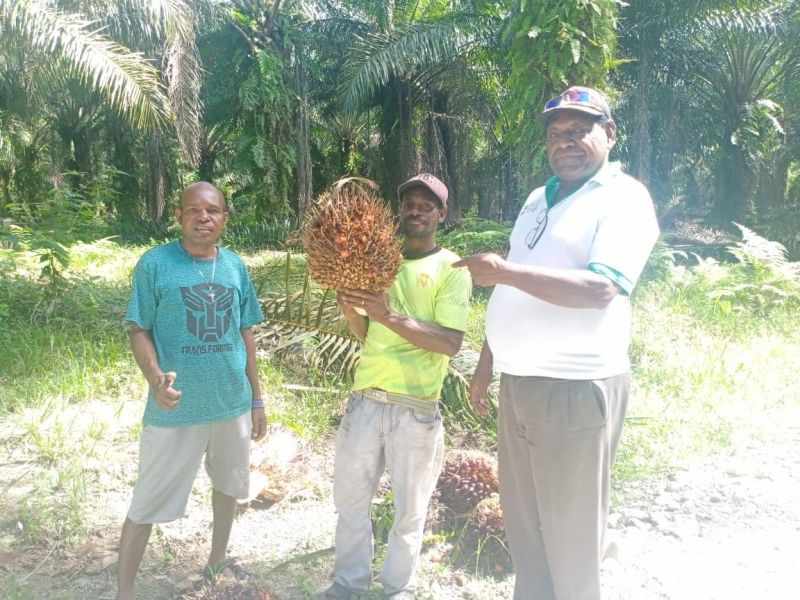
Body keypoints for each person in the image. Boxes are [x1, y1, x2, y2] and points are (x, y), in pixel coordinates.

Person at [453, 86, 659, 600]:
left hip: (573, 387)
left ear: (609, 134)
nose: (564, 142)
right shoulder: (536, 199)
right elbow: (511, 290)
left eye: (578, 131)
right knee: (524, 525)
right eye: (555, 134)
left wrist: (504, 272)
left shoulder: (623, 198)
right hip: (518, 384)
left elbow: (601, 289)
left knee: (570, 534)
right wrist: (487, 365)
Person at [318, 173, 472, 599]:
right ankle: (348, 585)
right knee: (350, 503)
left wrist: (390, 317)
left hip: (416, 408)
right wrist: (350, 309)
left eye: (427, 204)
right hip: (366, 399)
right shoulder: (376, 259)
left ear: (442, 214)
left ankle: (397, 588)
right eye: (409, 203)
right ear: (399, 210)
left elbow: (450, 342)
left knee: (410, 510)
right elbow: (367, 333)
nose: (416, 210)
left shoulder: (451, 269)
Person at [116, 182, 267, 600]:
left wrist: (256, 399)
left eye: (213, 211)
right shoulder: (155, 264)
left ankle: (217, 560)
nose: (204, 217)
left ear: (224, 218)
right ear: (179, 216)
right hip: (175, 409)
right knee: (146, 502)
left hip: (231, 403)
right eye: (194, 210)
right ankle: (124, 591)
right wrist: (154, 378)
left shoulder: (236, 266)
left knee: (228, 486)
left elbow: (246, 334)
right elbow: (138, 328)